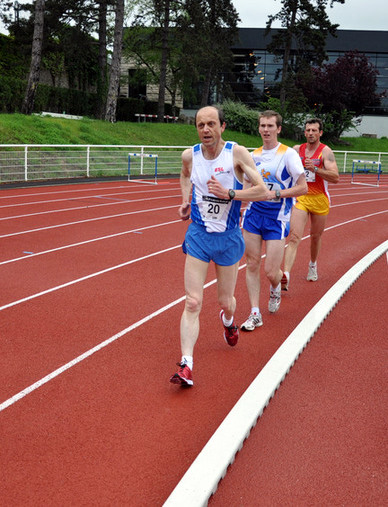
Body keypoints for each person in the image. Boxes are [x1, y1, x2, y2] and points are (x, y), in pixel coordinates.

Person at [170, 105, 271, 387]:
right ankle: (187, 364)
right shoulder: (189, 154)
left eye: (211, 124)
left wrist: (231, 193)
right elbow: (184, 173)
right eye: (200, 125)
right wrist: (185, 200)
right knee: (192, 301)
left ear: (222, 126)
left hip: (228, 239)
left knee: (225, 301)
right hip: (199, 236)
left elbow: (262, 190)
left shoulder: (236, 154)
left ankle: (228, 320)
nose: (205, 130)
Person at [239, 110, 308, 331]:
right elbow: (247, 186)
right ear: (258, 128)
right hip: (253, 214)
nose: (266, 130)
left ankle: (276, 284)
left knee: (270, 271)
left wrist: (277, 194)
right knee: (251, 263)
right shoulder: (253, 155)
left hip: (277, 217)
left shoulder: (288, 154)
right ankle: (254, 313)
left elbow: (303, 187)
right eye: (262, 126)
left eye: (270, 126)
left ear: (278, 129)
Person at [281, 118, 339, 290]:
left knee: (315, 237)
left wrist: (316, 169)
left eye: (314, 130)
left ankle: (313, 264)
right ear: (304, 132)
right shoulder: (297, 150)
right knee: (294, 236)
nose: (311, 133)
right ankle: (286, 275)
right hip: (302, 196)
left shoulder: (326, 152)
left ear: (320, 133)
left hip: (320, 198)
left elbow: (335, 177)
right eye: (308, 130)